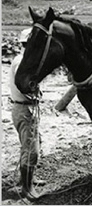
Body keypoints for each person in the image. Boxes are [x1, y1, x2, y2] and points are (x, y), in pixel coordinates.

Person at [9, 28, 44, 201]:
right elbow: (23, 85)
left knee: (32, 144)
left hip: (23, 108)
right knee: (31, 150)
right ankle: (27, 188)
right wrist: (35, 91)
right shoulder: (22, 61)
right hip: (24, 109)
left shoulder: (21, 59)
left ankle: (30, 178)